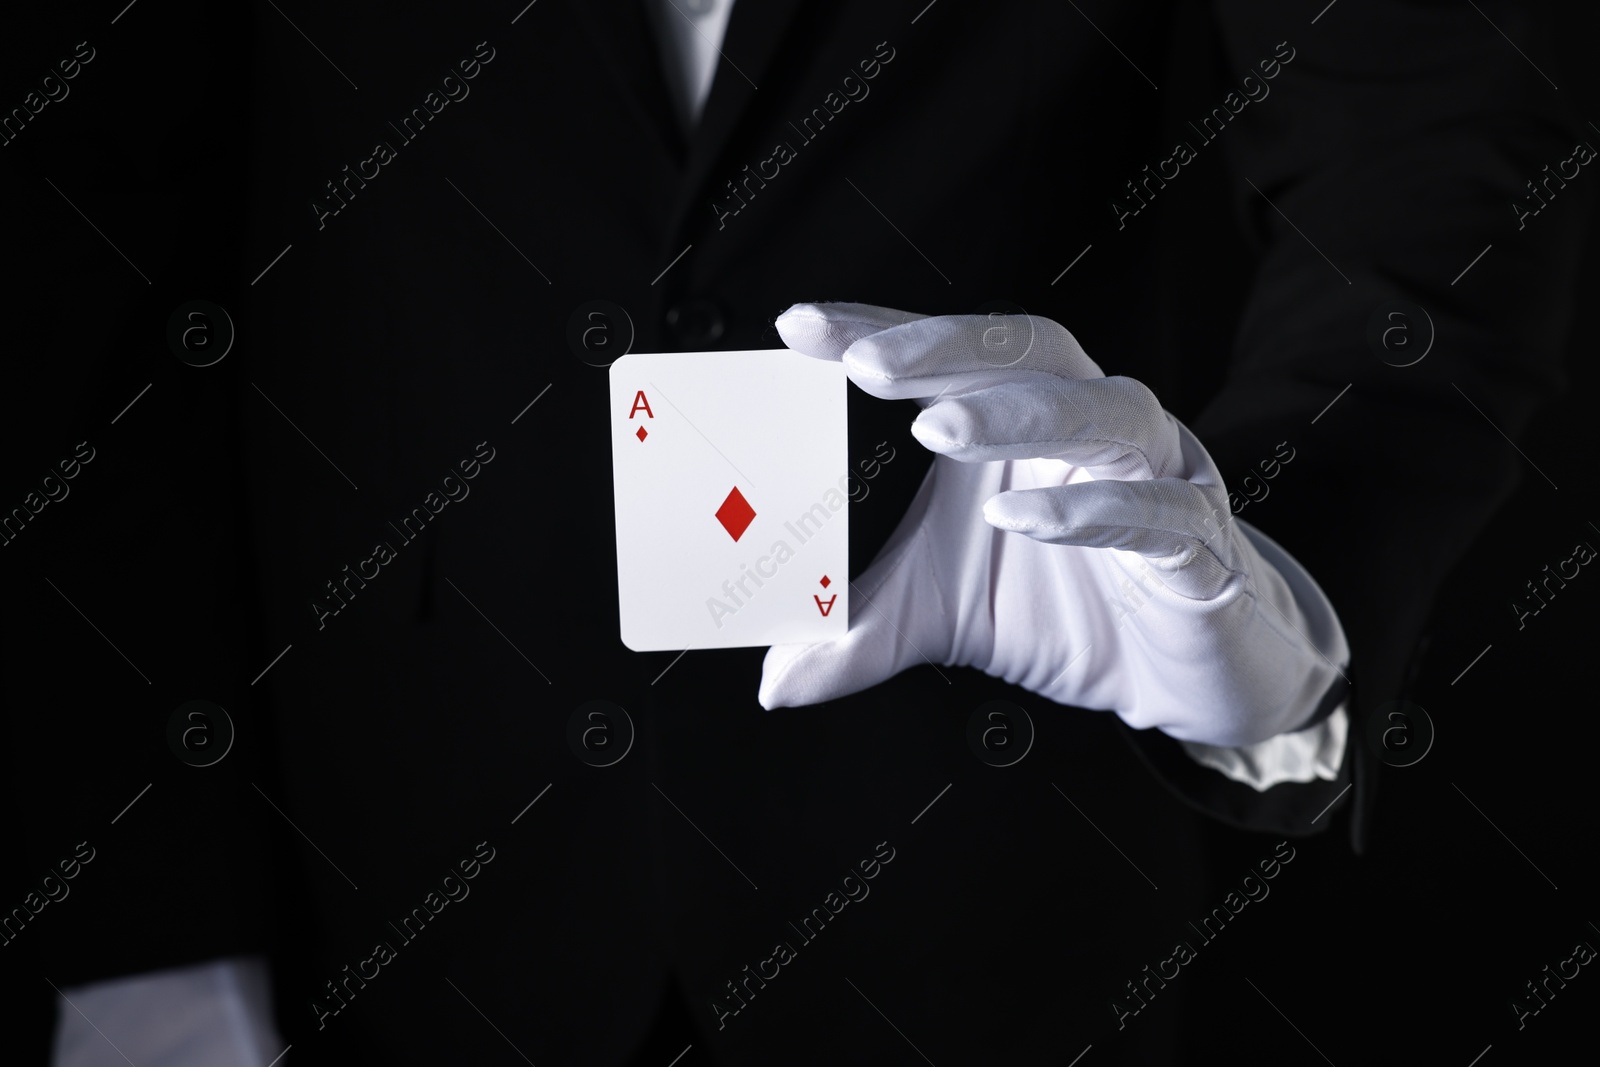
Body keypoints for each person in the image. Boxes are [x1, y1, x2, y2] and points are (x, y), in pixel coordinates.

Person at [12, 1, 1589, 1064]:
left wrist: (1279, 595)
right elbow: (97, 242)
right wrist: (151, 926)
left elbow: (1425, 146)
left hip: (1001, 875)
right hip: (398, 868)